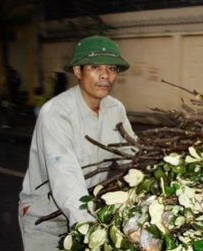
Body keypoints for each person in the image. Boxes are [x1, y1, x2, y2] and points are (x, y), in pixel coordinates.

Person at [18, 35, 136, 250]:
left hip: (89, 210)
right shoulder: (56, 112)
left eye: (112, 68)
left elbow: (131, 154)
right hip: (46, 218)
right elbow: (64, 172)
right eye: (94, 67)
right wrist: (85, 223)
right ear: (78, 72)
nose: (105, 75)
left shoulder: (115, 108)